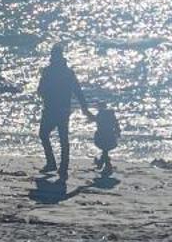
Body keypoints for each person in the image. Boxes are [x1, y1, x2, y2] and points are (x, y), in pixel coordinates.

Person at [36, 43, 92, 180]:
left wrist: (44, 93)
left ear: (54, 55)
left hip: (52, 108)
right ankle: (61, 166)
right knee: (61, 138)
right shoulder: (67, 72)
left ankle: (54, 164)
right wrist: (85, 109)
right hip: (62, 109)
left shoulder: (49, 71)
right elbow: (78, 92)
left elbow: (40, 90)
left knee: (46, 135)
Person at [91, 102, 121, 176]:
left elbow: (97, 124)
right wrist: (117, 133)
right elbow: (117, 127)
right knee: (105, 150)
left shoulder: (100, 115)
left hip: (102, 138)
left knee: (105, 149)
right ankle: (102, 163)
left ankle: (104, 164)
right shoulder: (111, 115)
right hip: (110, 138)